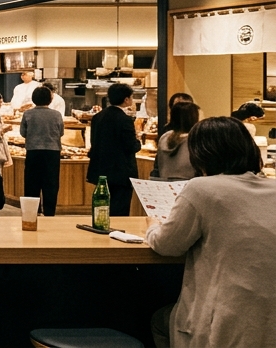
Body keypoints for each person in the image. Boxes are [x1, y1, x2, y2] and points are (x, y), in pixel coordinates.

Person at [146, 116, 276, 347]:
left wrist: (152, 225)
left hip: (224, 324)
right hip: (268, 323)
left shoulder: (202, 189)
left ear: (200, 153)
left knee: (158, 320)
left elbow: (167, 245)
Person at [87, 83, 142, 217]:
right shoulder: (125, 119)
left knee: (102, 207)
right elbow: (131, 146)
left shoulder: (97, 117)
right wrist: (138, 141)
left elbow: (94, 142)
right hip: (120, 172)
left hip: (100, 170)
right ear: (126, 99)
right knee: (119, 210)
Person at [21, 86, 65, 216]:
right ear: (50, 99)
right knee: (51, 184)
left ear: (34, 99)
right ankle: (50, 213)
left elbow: (23, 133)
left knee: (31, 184)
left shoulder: (27, 114)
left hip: (33, 152)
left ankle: (32, 214)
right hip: (52, 153)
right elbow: (61, 132)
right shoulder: (56, 115)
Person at [153, 100, 200, 180]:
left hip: (165, 184)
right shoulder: (195, 139)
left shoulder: (165, 137)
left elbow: (156, 167)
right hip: (187, 185)